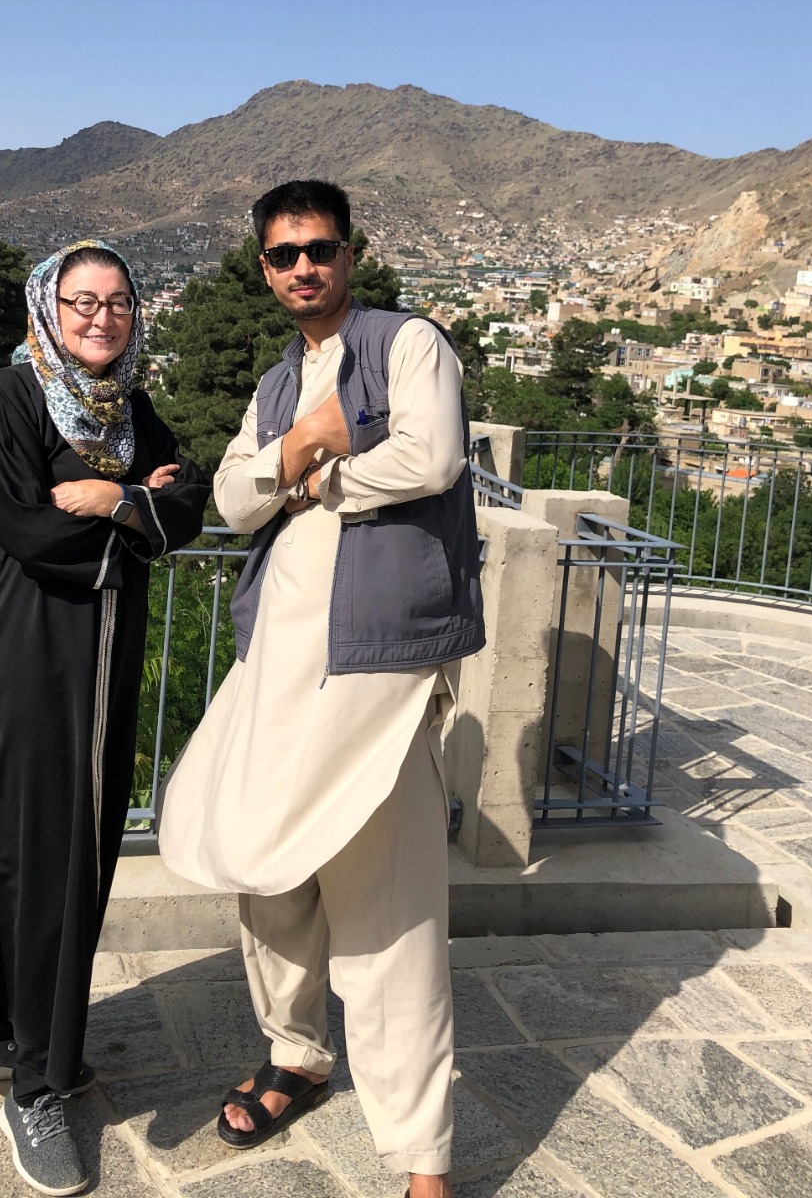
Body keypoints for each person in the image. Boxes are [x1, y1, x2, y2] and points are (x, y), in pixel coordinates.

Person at [159, 181, 482, 1198]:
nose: (304, 266)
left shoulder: (406, 344)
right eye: (284, 254)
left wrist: (314, 481)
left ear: (351, 253)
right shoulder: (273, 388)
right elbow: (231, 498)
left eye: (320, 248)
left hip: (376, 669)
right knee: (269, 874)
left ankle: (422, 1156)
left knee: (392, 913)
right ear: (265, 269)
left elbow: (431, 457)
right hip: (276, 665)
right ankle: (296, 1053)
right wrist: (306, 444)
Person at [0, 239, 209, 1197]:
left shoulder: (131, 408)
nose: (101, 317)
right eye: (83, 301)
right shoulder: (14, 394)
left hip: (106, 655)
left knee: (72, 843)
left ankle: (4, 1029)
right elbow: (29, 527)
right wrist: (137, 513)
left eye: (118, 302)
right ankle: (37, 1085)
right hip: (37, 648)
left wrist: (117, 496)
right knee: (43, 844)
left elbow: (189, 504)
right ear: (48, 307)